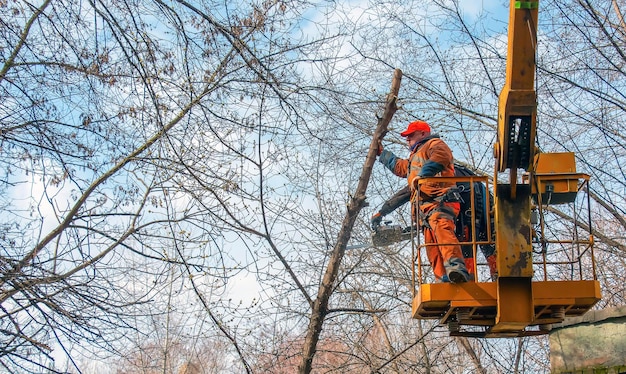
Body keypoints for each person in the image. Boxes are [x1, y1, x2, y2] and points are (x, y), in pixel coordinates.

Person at [374, 120, 471, 283]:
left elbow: (441, 157)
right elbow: (400, 167)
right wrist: (382, 154)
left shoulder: (435, 144)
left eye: (411, 136)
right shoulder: (414, 159)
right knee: (431, 247)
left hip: (440, 200)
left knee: (443, 231)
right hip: (424, 210)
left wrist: (423, 175)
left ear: (423, 134)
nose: (408, 139)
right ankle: (443, 278)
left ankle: (456, 268)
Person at [371, 165, 498, 281]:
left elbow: (407, 194)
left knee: (469, 245)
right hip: (473, 201)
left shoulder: (430, 177)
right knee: (483, 243)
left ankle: (471, 284)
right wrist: (411, 229)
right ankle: (490, 277)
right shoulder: (433, 180)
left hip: (470, 204)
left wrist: (382, 212)